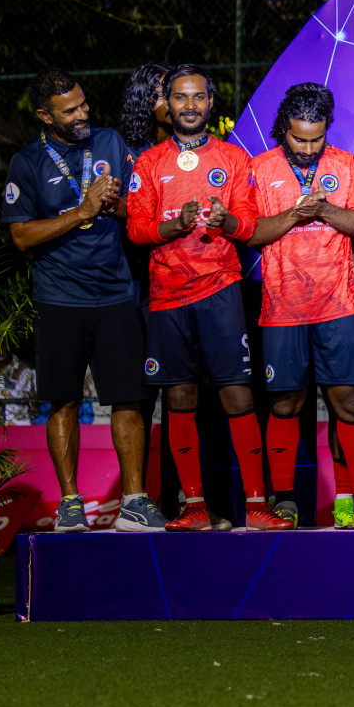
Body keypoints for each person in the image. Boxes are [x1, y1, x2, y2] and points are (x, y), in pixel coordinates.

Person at [127, 63, 290, 531]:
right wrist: (171, 227)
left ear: (211, 102)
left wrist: (226, 221)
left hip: (220, 290)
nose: (190, 106)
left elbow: (249, 221)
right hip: (168, 296)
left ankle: (257, 506)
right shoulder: (149, 163)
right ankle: (194, 506)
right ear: (168, 104)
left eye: (198, 97)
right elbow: (136, 228)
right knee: (179, 397)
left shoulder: (234, 160)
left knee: (238, 396)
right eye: (180, 97)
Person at [2, 69, 165, 532]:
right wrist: (83, 210)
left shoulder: (111, 142)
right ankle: (70, 502)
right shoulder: (27, 162)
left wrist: (113, 204)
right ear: (43, 115)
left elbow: (138, 207)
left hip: (115, 293)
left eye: (83, 104)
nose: (82, 114)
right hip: (59, 299)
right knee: (64, 401)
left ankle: (134, 500)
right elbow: (20, 235)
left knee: (129, 399)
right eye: (69, 110)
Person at [242, 83, 354, 530]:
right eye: (299, 138)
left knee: (349, 404)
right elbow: (248, 232)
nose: (307, 147)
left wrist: (323, 210)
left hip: (338, 305)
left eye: (316, 139)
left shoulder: (349, 166)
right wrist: (291, 217)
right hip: (282, 307)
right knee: (285, 406)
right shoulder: (258, 169)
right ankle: (282, 499)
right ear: (284, 128)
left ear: (328, 131)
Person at [119, 62, 173, 157]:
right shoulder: (127, 151)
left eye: (176, 95)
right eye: (161, 95)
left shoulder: (189, 145)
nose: (171, 102)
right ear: (144, 102)